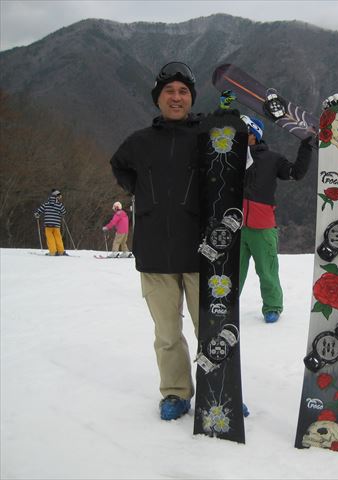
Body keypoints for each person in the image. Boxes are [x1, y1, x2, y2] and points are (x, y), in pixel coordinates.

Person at [110, 61, 203, 421]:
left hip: (203, 252)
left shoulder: (208, 137)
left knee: (213, 331)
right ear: (157, 98)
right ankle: (175, 391)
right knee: (167, 332)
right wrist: (140, 191)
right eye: (169, 91)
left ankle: (221, 387)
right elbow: (118, 164)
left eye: (183, 91)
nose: (176, 97)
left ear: (191, 98)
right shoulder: (140, 142)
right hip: (154, 251)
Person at [238, 115, 313, 323]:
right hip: (235, 225)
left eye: (244, 132)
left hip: (262, 226)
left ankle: (272, 306)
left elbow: (296, 173)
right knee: (232, 272)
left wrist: (306, 146)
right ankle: (226, 306)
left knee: (267, 271)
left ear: (254, 135)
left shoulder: (272, 159)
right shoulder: (231, 157)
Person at [34, 189, 68, 256]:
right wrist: (60, 214)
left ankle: (53, 251)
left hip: (48, 225)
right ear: (57, 197)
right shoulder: (59, 205)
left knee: (50, 238)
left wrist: (37, 215)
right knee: (58, 238)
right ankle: (61, 251)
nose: (60, 198)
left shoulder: (46, 204)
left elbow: (38, 212)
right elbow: (64, 212)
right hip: (56, 225)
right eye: (60, 196)